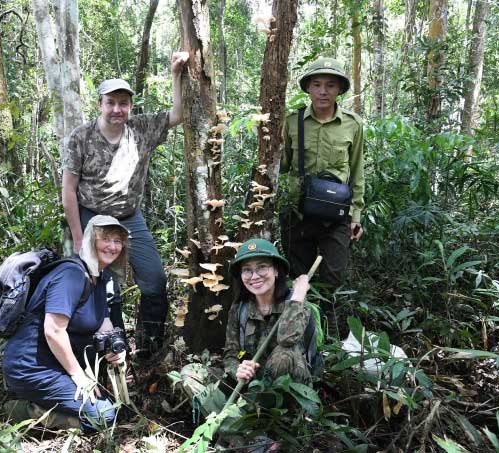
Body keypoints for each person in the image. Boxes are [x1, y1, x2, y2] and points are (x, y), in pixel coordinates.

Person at [61, 52, 189, 355]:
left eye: (123, 103)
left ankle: (148, 347)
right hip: (93, 217)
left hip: (130, 218)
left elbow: (177, 114)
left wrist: (175, 75)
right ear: (100, 105)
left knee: (155, 281)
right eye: (111, 102)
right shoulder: (80, 138)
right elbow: (68, 191)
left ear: (130, 106)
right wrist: (80, 238)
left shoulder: (140, 129)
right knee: (105, 289)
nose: (117, 109)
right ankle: (113, 352)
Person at [2, 215, 130, 432]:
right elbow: (53, 330)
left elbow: (103, 322)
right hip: (32, 367)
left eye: (117, 241)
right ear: (91, 240)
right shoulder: (71, 274)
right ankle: (21, 411)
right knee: (105, 416)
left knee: (118, 408)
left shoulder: (98, 276)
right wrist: (78, 376)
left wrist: (116, 348)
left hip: (56, 363)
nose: (112, 246)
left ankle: (52, 402)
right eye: (106, 239)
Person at [177, 239, 319, 428]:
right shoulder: (240, 309)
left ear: (276, 270)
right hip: (249, 385)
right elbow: (231, 353)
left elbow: (287, 339)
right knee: (191, 373)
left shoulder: (297, 303)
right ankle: (235, 424)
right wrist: (238, 369)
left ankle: (265, 425)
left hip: (287, 390)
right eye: (247, 270)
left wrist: (299, 295)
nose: (254, 276)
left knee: (283, 355)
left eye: (262, 267)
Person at [279, 57, 365, 289]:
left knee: (332, 282)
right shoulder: (292, 121)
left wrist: (355, 217)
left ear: (339, 89)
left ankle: (329, 324)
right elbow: (281, 166)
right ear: (308, 88)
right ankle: (302, 324)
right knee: (298, 280)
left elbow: (357, 171)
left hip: (336, 216)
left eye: (330, 85)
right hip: (298, 214)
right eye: (316, 84)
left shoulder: (352, 124)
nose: (323, 92)